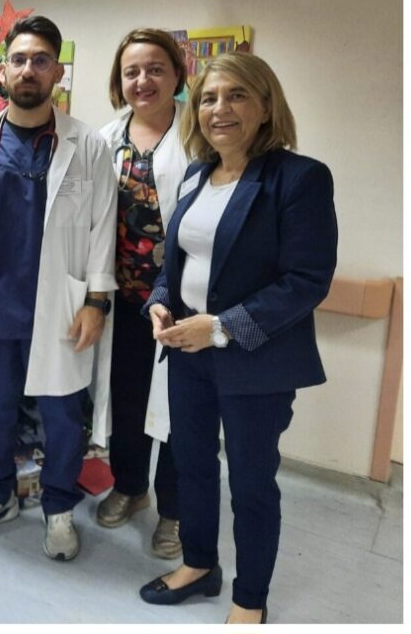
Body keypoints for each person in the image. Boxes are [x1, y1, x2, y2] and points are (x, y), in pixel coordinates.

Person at [138, 52, 337, 624]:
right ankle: (199, 564)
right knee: (192, 466)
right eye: (208, 98)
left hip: (256, 360)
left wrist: (221, 327)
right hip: (187, 352)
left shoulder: (299, 178)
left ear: (266, 106)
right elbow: (176, 263)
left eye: (236, 95)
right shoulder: (197, 176)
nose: (219, 109)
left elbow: (306, 281)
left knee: (251, 483)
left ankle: (251, 598)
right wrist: (159, 302)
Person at [0, 16, 117, 560]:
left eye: (41, 60)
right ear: (3, 70)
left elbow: (103, 228)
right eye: (18, 59)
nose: (28, 70)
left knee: (63, 420)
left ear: (57, 72)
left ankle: (59, 508)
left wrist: (96, 301)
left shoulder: (88, 145)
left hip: (61, 308)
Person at [95, 29, 190, 558]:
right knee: (128, 401)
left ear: (177, 75)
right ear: (120, 80)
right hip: (126, 302)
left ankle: (174, 511)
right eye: (132, 71)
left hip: (183, 304)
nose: (143, 80)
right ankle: (131, 486)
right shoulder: (107, 138)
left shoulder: (198, 134)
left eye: (155, 68)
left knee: (179, 411)